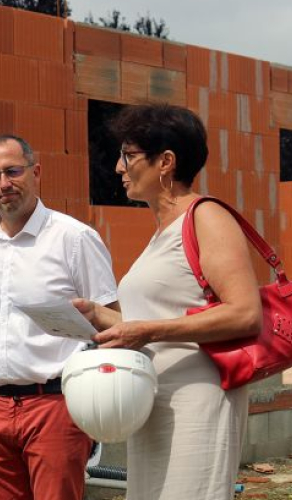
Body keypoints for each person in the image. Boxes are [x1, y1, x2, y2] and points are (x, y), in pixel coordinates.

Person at [73, 104, 262, 499]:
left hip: (198, 402)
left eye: (128, 156)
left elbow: (245, 314)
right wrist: (97, 315)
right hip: (156, 403)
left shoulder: (205, 217)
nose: (118, 168)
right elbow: (153, 316)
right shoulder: (162, 231)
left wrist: (148, 330)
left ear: (166, 162)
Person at [0, 134, 118, 500]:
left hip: (55, 404)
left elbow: (112, 322)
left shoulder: (75, 238)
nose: (4, 184)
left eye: (13, 171)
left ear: (36, 172)